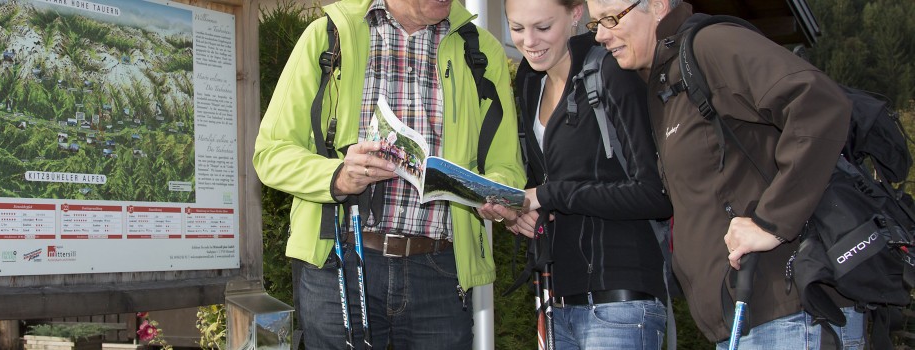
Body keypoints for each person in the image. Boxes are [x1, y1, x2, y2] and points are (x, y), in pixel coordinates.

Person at [581, 0, 866, 348]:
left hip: (787, 315)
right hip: (747, 322)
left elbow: (819, 102)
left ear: (656, 6)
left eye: (611, 19)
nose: (602, 36)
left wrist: (770, 222)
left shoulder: (709, 46)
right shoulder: (664, 81)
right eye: (595, 25)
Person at [252, 0, 524, 348]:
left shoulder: (482, 50)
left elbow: (507, 166)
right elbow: (271, 152)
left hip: (440, 271)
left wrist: (495, 192)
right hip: (340, 263)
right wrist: (337, 176)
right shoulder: (328, 35)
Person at [481, 0, 672, 348]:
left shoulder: (612, 70)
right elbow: (543, 182)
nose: (529, 42)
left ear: (576, 15)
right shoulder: (528, 81)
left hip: (621, 302)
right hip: (555, 302)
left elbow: (656, 193)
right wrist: (519, 212)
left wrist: (548, 194)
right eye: (517, 28)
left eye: (543, 28)